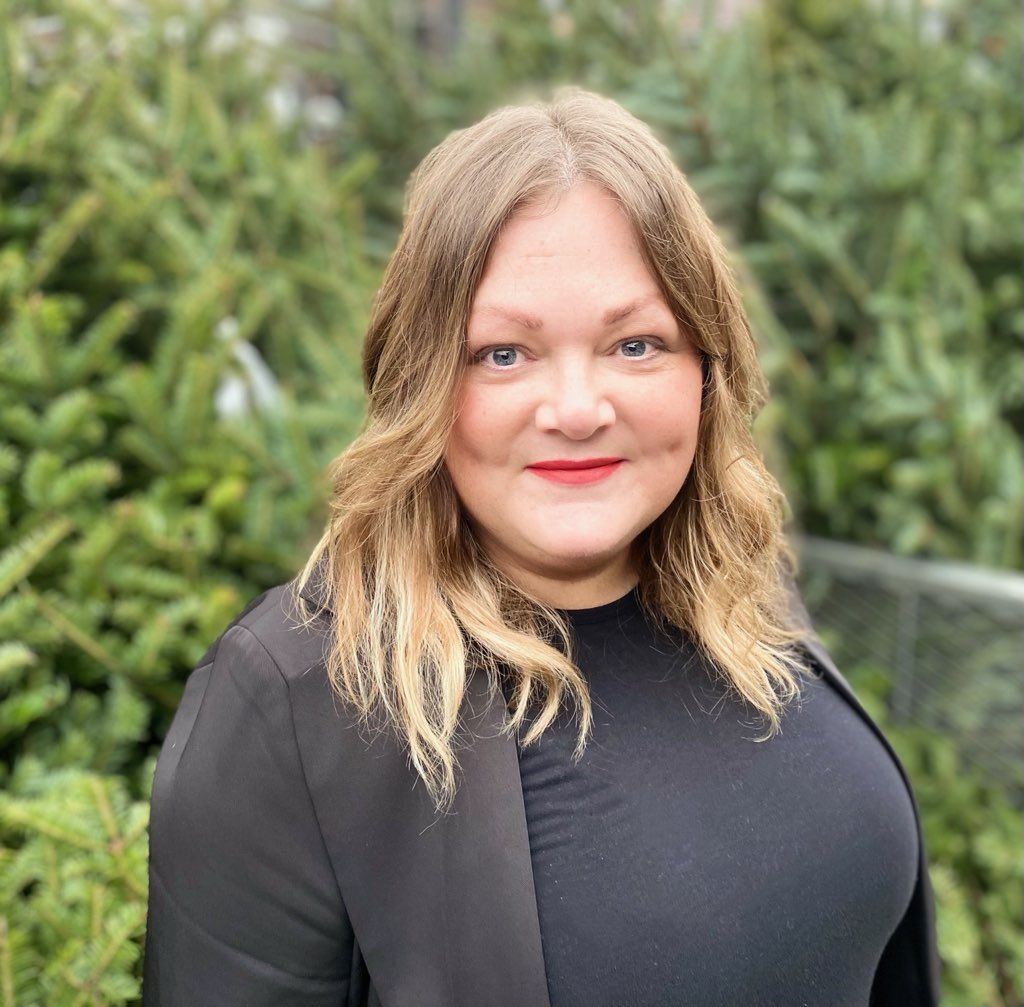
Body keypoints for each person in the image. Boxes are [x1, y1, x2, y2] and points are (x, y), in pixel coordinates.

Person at [141, 87, 940, 1006]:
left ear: (708, 371)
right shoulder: (296, 703)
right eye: (504, 354)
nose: (577, 410)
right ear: (421, 382)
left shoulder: (746, 599)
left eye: (636, 344)